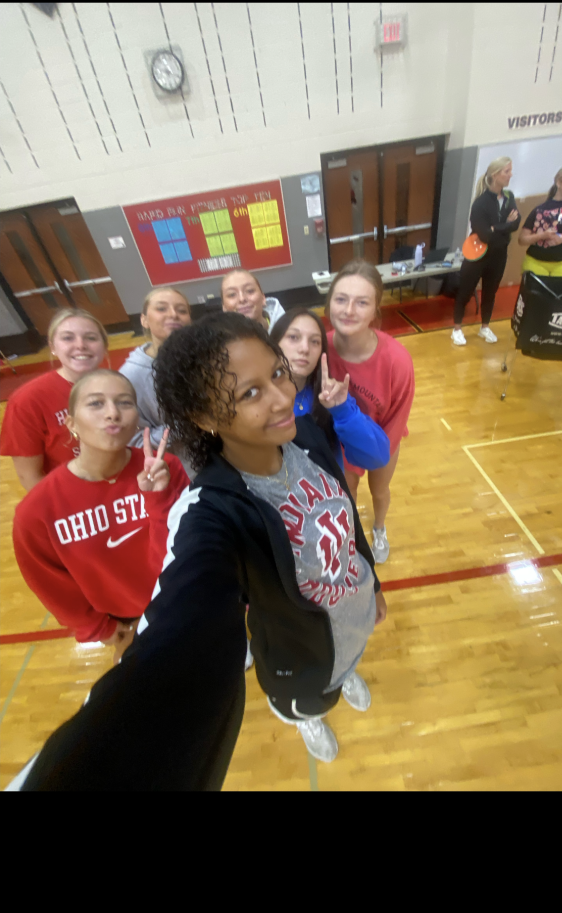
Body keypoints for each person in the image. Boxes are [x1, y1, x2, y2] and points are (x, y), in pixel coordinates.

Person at [9, 313, 386, 789]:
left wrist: (372, 581)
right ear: (205, 418)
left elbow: (345, 513)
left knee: (348, 657)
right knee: (311, 699)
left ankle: (345, 672)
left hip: (355, 612)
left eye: (277, 373)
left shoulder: (303, 432)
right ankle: (305, 714)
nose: (281, 397)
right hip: (301, 658)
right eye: (250, 393)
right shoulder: (210, 509)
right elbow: (179, 635)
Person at [12, 369, 188, 664]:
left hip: (182, 596)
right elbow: (50, 584)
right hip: (126, 622)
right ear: (71, 423)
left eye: (124, 402)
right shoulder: (37, 510)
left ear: (136, 418)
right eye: (96, 403)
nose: (112, 413)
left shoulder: (167, 468)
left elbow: (182, 549)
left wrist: (158, 499)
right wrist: (97, 628)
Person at [324, 260, 415, 565]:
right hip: (339, 439)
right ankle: (350, 534)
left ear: (376, 309)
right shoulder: (318, 348)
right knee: (346, 491)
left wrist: (376, 454)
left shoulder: (396, 360)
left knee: (379, 490)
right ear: (329, 303)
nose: (349, 310)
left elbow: (398, 417)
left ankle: (379, 528)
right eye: (341, 299)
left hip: (381, 439)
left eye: (361, 302)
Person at [270, 307, 391, 473]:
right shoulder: (257, 400)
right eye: (293, 337)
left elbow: (377, 457)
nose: (304, 348)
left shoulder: (331, 397)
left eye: (314, 341)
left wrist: (343, 411)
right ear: (274, 344)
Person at [0, 308, 109, 492]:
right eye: (68, 338)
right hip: (73, 497)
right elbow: (29, 476)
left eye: (91, 338)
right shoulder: (27, 400)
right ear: (53, 347)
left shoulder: (119, 386)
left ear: (104, 345)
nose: (81, 345)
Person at [119, 286, 194, 477]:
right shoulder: (130, 377)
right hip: (182, 474)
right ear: (144, 320)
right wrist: (188, 424)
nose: (173, 314)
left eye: (182, 310)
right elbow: (135, 441)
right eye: (161, 308)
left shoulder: (202, 357)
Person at [452, 156, 521, 347]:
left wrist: (496, 227)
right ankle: (457, 329)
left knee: (491, 292)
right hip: (477, 255)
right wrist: (504, 225)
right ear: (495, 175)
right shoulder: (480, 203)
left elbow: (515, 223)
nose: (510, 175)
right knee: (465, 291)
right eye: (507, 171)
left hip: (499, 254)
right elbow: (483, 234)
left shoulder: (509, 197)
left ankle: (485, 327)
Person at [518, 166, 562, 275]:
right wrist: (542, 236)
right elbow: (522, 240)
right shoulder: (542, 208)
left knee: (561, 286)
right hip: (536, 261)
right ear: (559, 182)